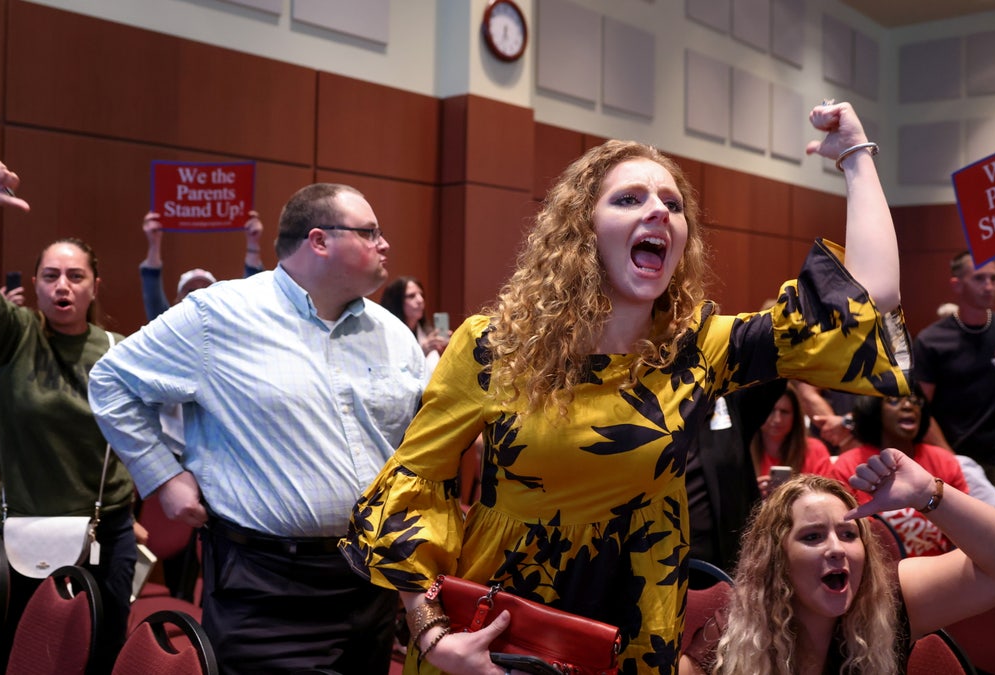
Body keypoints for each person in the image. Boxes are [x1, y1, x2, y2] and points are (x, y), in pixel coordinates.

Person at [344, 100, 912, 674]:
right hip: (493, 637)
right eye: (629, 199)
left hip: (630, 638)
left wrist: (856, 159)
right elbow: (414, 483)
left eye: (673, 203)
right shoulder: (493, 347)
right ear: (579, 231)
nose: (660, 212)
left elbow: (868, 299)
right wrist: (433, 633)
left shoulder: (697, 350)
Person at [89, 183, 428, 674]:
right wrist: (162, 475)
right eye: (370, 232)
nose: (385, 244)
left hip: (370, 583)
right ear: (319, 241)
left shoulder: (393, 334)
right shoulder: (218, 315)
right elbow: (109, 381)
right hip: (267, 587)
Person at [0, 160, 136, 673]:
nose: (63, 286)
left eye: (76, 276)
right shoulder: (15, 335)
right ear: (35, 284)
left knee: (100, 649)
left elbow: (142, 435)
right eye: (50, 276)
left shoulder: (119, 351)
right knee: (29, 653)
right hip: (28, 526)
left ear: (95, 286)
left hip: (106, 529)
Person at [685, 452, 995, 675]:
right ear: (776, 561)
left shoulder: (887, 603)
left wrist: (926, 492)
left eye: (848, 535)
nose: (836, 548)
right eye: (812, 537)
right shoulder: (727, 642)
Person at [913, 250, 995, 519]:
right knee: (955, 535)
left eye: (994, 279)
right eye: (980, 279)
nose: (989, 286)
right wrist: (950, 459)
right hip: (952, 453)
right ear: (956, 284)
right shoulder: (932, 340)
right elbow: (919, 407)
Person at [832, 392, 968, 556]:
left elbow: (965, 525)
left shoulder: (944, 460)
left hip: (944, 568)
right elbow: (841, 529)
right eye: (894, 400)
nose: (908, 406)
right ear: (874, 410)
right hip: (877, 572)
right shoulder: (848, 465)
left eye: (915, 400)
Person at [688, 380, 787, 570]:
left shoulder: (729, 405)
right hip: (658, 565)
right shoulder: (644, 408)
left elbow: (773, 372)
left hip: (725, 566)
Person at [139, 210, 265, 321]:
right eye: (191, 291)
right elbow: (153, 295)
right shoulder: (169, 329)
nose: (199, 296)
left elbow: (250, 294)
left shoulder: (230, 326)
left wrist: (253, 243)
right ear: (177, 302)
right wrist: (154, 244)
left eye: (206, 290)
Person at [751, 384, 836, 493]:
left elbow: (828, 494)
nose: (777, 419)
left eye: (784, 412)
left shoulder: (815, 449)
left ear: (795, 417)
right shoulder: (743, 449)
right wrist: (752, 492)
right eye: (771, 410)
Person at [380, 276, 449, 363]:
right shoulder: (385, 335)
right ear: (396, 301)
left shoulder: (428, 333)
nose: (420, 300)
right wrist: (422, 352)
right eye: (411, 296)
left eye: (421, 295)